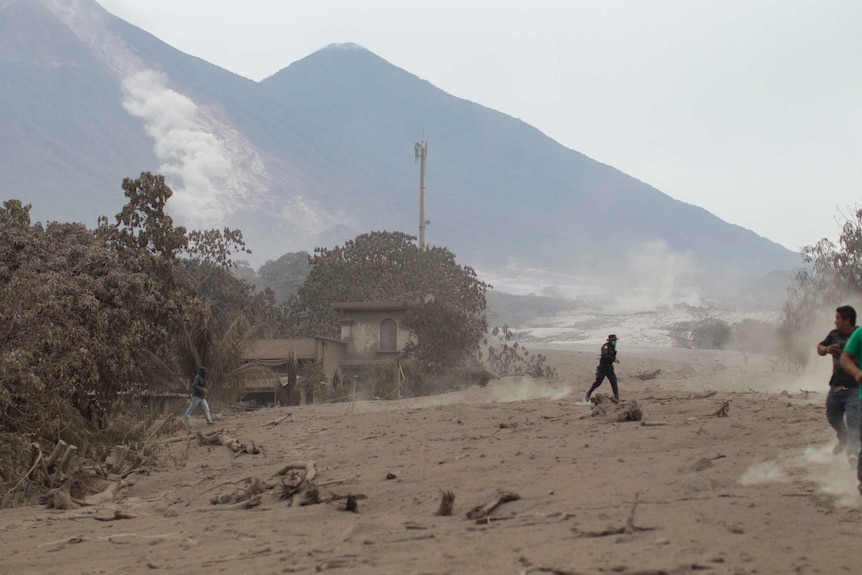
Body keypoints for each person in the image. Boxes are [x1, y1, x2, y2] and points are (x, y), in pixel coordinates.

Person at [817, 306, 859, 459]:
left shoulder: (858, 335)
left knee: (854, 421)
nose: (835, 322)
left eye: (838, 318)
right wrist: (827, 349)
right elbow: (819, 347)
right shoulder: (834, 335)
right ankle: (843, 437)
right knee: (832, 416)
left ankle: (853, 454)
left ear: (847, 321)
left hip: (855, 387)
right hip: (836, 386)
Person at [586, 334, 620, 402]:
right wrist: (613, 359)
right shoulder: (605, 347)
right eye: (613, 340)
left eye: (615, 340)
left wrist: (615, 358)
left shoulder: (613, 347)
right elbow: (605, 356)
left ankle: (617, 398)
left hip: (609, 368)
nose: (615, 342)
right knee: (598, 382)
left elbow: (611, 355)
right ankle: (589, 393)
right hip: (602, 368)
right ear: (610, 340)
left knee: (614, 382)